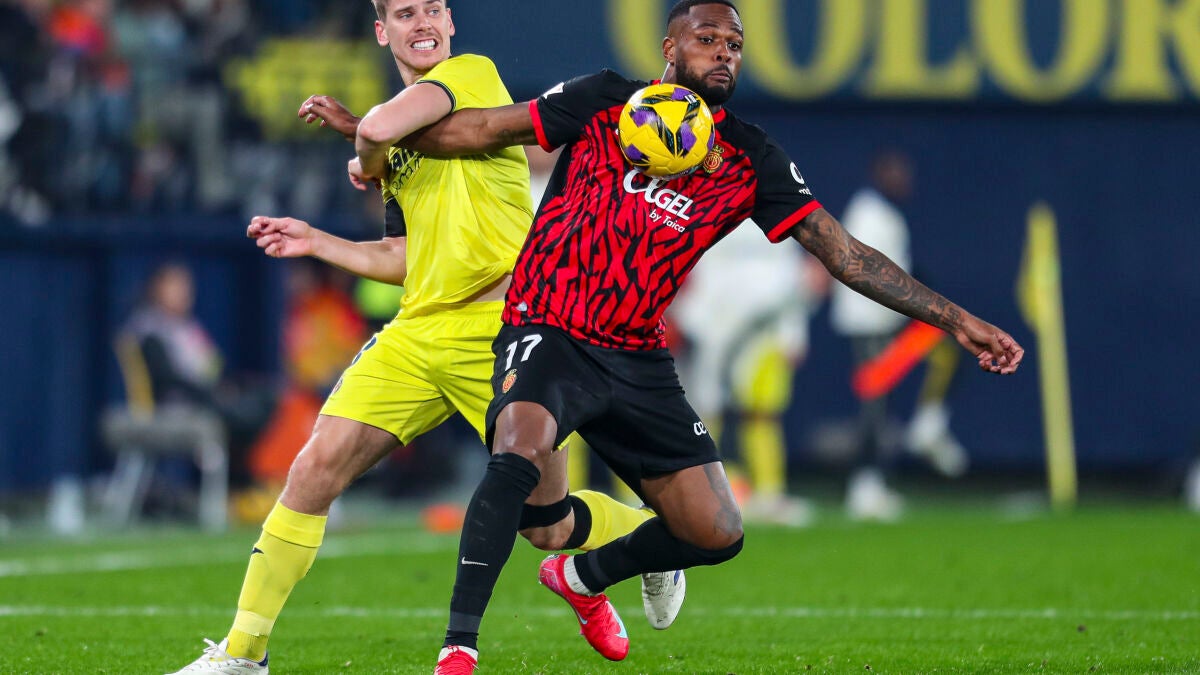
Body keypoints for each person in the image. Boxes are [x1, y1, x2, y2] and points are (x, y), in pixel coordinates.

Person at [381, 1, 1022, 671]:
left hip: (636, 354)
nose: (723, 53)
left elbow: (845, 254)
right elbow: (481, 128)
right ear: (670, 47)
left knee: (716, 531)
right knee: (519, 451)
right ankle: (459, 647)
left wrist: (957, 320)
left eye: (734, 44)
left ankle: (581, 577)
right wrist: (374, 137)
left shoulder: (748, 156)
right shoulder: (605, 100)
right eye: (707, 38)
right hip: (548, 324)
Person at [168, 1, 681, 672]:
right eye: (406, 13)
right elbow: (402, 254)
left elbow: (378, 126)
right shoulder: (402, 140)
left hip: (506, 329)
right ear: (382, 31)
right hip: (418, 330)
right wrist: (316, 239)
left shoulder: (470, 74)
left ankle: (651, 536)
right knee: (314, 468)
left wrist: (365, 146)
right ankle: (243, 653)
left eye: (434, 8)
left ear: (452, 22)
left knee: (547, 525)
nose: (424, 23)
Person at [671, 223, 824, 526]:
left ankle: (768, 494)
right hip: (715, 328)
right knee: (704, 413)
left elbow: (789, 273)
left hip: (765, 332)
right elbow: (702, 264)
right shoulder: (713, 211)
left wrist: (793, 332)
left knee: (761, 413)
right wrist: (691, 318)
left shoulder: (772, 210)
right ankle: (699, 493)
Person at [830, 149, 916, 520]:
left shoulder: (881, 212)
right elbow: (863, 272)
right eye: (895, 171)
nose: (903, 179)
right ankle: (863, 484)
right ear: (880, 173)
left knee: (880, 404)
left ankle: (870, 482)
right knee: (874, 405)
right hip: (870, 324)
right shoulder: (868, 212)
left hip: (880, 323)